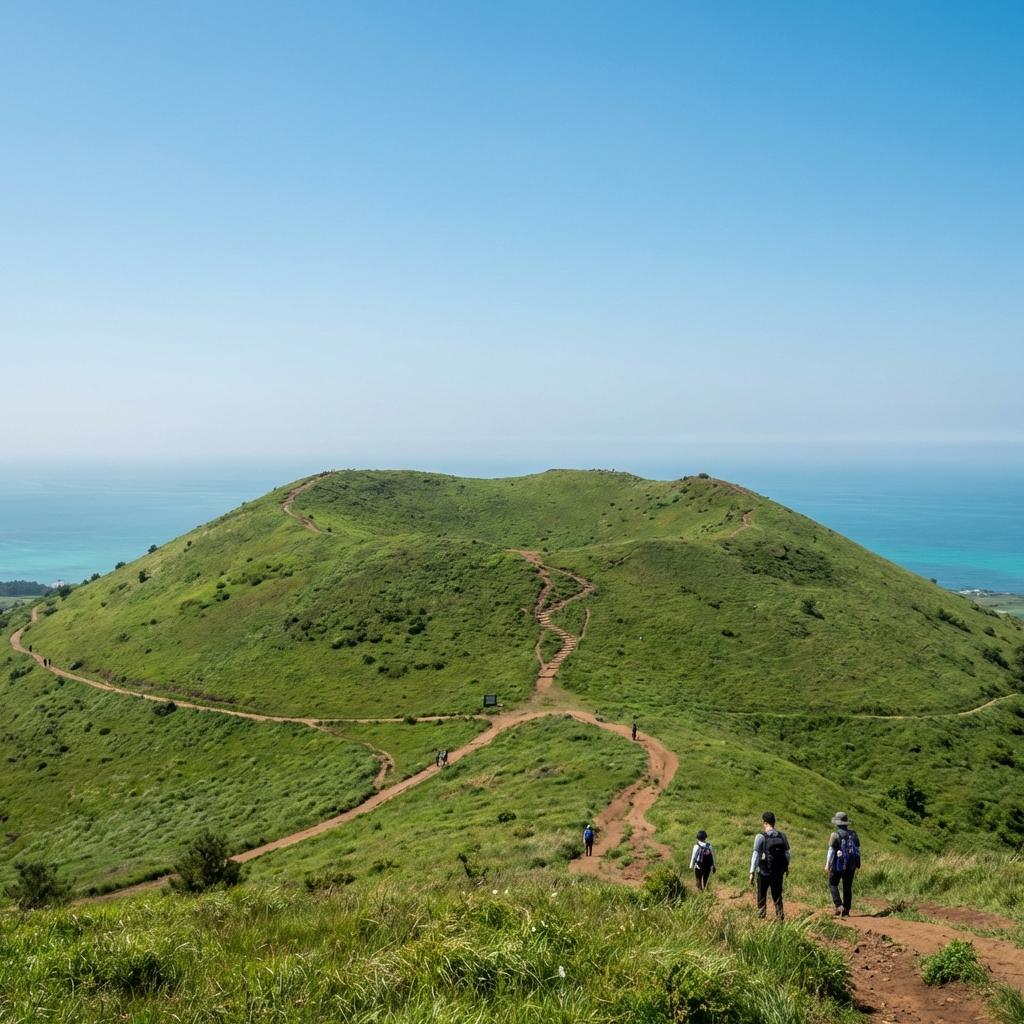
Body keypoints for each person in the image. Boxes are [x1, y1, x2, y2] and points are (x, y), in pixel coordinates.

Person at [749, 811, 790, 920]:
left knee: (762, 894)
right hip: (777, 873)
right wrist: (786, 868)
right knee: (777, 896)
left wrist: (752, 872)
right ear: (774, 822)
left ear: (764, 822)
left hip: (763, 872)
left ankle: (762, 917)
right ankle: (780, 918)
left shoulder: (760, 837)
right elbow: (787, 854)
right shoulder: (782, 836)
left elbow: (756, 855)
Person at [824, 811, 861, 917]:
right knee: (847, 887)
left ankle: (839, 905)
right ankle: (846, 910)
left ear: (837, 823)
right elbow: (858, 849)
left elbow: (831, 851)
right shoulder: (854, 834)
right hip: (851, 865)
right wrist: (858, 862)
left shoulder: (835, 835)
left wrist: (827, 864)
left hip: (838, 865)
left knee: (832, 884)